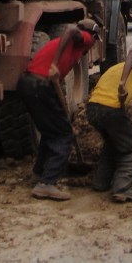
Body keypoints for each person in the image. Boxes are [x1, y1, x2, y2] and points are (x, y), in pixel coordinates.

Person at [17, 19, 100, 200]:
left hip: (28, 84)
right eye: (96, 40)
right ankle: (47, 183)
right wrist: (54, 64)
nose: (93, 45)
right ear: (92, 36)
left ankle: (40, 173)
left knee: (50, 131)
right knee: (64, 136)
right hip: (39, 85)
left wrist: (64, 116)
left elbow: (56, 85)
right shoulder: (83, 38)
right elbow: (70, 28)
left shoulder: (70, 49)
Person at [86, 41, 132, 202]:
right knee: (131, 147)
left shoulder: (114, 68)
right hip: (111, 109)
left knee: (112, 144)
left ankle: (100, 181)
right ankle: (122, 188)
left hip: (93, 108)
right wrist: (122, 83)